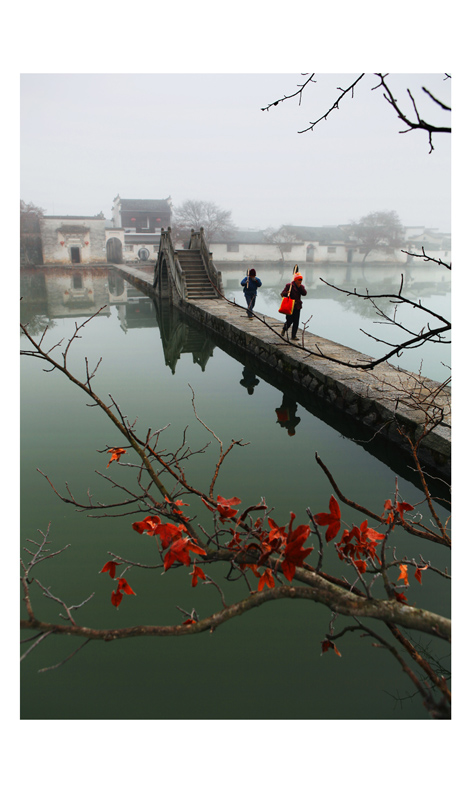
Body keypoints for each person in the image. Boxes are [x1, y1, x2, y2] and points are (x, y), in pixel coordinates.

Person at [280, 273, 307, 340]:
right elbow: (282, 294)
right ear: (295, 280)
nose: (300, 281)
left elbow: (304, 293)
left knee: (296, 322)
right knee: (289, 321)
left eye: (301, 280)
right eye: (299, 280)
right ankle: (284, 328)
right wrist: (287, 293)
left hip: (297, 306)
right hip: (290, 306)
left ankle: (293, 335)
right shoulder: (289, 286)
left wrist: (300, 287)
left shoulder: (301, 287)